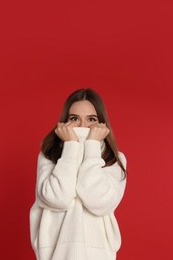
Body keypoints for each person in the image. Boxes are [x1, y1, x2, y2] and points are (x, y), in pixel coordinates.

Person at [29, 88, 127, 260]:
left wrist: (91, 147)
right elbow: (59, 198)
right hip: (54, 253)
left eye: (91, 119)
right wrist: (71, 147)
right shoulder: (49, 155)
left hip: (98, 254)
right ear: (64, 122)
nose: (82, 127)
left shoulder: (114, 159)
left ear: (102, 124)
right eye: (74, 119)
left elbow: (98, 202)